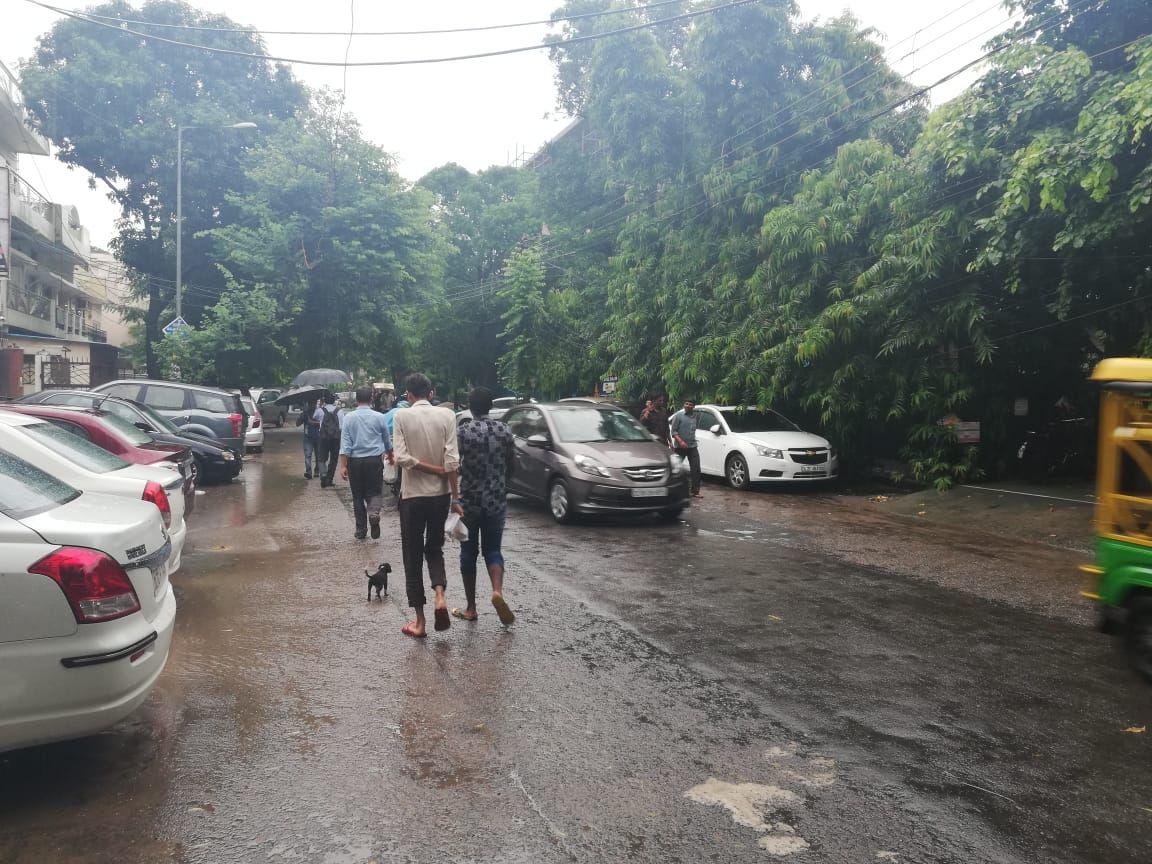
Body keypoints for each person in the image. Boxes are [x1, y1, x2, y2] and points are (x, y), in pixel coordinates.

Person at [392, 372, 461, 638]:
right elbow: (453, 462)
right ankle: (440, 595)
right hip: (440, 496)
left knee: (412, 555)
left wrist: (429, 469)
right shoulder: (447, 416)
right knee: (434, 548)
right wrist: (456, 499)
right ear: (431, 393)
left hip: (412, 496)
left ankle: (419, 622)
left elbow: (401, 457)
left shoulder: (402, 416)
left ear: (408, 395)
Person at [452, 386, 515, 626]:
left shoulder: (464, 432)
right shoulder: (504, 431)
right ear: (491, 406)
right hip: (496, 501)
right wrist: (504, 485)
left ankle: (470, 608)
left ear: (471, 406)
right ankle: (497, 592)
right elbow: (512, 463)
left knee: (468, 552)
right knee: (493, 550)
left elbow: (452, 463)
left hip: (470, 502)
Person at [338, 386, 394, 540]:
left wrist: (343, 465)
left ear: (356, 400)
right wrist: (391, 455)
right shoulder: (379, 417)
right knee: (374, 492)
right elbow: (386, 440)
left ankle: (361, 530)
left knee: (357, 496)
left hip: (355, 462)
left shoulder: (349, 418)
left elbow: (346, 444)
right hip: (374, 460)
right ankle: (374, 514)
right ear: (371, 400)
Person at [670, 398, 702, 498]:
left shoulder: (695, 416)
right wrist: (681, 441)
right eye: (686, 404)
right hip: (680, 447)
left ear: (693, 407)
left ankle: (695, 491)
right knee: (675, 468)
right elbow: (673, 431)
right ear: (684, 405)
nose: (688, 406)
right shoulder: (678, 416)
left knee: (696, 468)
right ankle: (671, 490)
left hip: (692, 446)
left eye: (690, 404)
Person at [315, 393, 342, 488]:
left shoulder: (320, 410)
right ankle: (329, 479)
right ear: (334, 400)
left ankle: (323, 475)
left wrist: (321, 405)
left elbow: (315, 417)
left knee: (321, 458)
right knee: (334, 459)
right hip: (335, 438)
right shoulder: (339, 411)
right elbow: (341, 426)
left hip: (323, 437)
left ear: (324, 401)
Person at [296, 397, 320, 479]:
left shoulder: (320, 412)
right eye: (310, 403)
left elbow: (323, 423)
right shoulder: (305, 413)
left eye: (313, 403)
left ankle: (317, 470)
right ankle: (308, 471)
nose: (312, 405)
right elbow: (297, 424)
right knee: (308, 455)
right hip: (308, 437)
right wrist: (302, 415)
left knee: (318, 455)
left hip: (318, 436)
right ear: (308, 404)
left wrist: (314, 422)